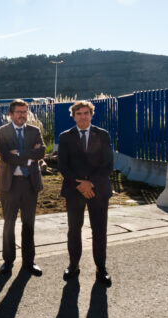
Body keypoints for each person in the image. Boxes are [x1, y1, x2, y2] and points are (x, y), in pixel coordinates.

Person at [58, 100, 113, 286]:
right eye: (79, 113)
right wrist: (79, 185)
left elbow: (108, 164)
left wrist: (91, 183)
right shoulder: (65, 137)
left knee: (100, 230)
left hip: (98, 190)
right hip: (74, 191)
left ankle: (101, 268)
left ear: (91, 114)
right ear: (73, 116)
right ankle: (73, 265)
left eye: (86, 113)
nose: (82, 116)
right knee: (74, 230)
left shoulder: (103, 135)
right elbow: (63, 165)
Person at [0, 99, 45, 277]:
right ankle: (8, 261)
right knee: (9, 224)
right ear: (11, 114)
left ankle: (29, 262)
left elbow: (42, 152)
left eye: (25, 112)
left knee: (29, 224)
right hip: (10, 185)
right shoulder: (2, 132)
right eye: (18, 112)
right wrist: (30, 156)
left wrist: (20, 153)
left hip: (30, 184)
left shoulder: (34, 131)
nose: (22, 115)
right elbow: (6, 156)